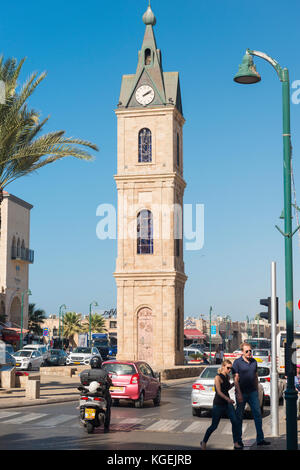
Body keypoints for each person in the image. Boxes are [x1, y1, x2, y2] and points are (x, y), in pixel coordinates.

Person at [232, 342, 270, 447]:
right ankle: (238, 440)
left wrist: (257, 391)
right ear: (242, 352)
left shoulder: (254, 362)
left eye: (250, 351)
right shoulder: (237, 363)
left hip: (253, 392)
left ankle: (260, 440)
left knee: (258, 415)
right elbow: (235, 380)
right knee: (239, 417)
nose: (249, 353)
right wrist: (238, 393)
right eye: (247, 351)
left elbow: (255, 377)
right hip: (242, 393)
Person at [200, 359, 242, 450]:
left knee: (235, 422)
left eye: (230, 368)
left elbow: (227, 388)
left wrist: (234, 383)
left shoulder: (227, 377)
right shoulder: (217, 377)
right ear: (223, 367)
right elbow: (219, 392)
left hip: (227, 404)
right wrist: (228, 399)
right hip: (218, 404)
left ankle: (236, 442)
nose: (229, 370)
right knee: (214, 426)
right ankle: (204, 442)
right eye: (228, 368)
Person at [80, 356, 112, 432]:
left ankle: (83, 415)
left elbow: (82, 383)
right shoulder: (104, 373)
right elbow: (109, 382)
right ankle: (106, 427)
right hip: (100, 395)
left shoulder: (85, 372)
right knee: (108, 405)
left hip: (87, 395)